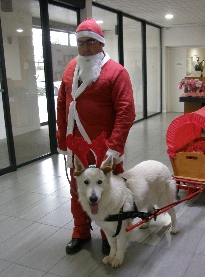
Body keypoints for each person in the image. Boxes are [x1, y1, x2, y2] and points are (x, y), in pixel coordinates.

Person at [56, 17, 136, 255]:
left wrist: (114, 147)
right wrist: (62, 139)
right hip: (77, 148)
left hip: (105, 150)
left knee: (109, 194)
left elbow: (126, 111)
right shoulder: (71, 68)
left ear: (101, 44)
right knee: (78, 191)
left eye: (91, 42)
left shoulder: (117, 72)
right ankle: (80, 232)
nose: (86, 47)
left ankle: (108, 234)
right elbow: (62, 104)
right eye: (81, 43)